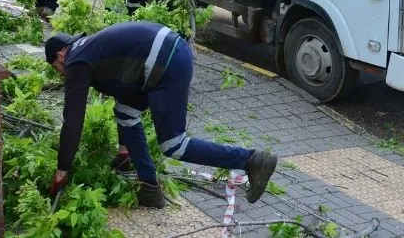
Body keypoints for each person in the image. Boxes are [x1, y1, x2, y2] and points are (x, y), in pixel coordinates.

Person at [44, 22, 278, 208]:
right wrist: (124, 151)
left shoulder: (76, 60)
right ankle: (149, 187)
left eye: (57, 69)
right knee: (125, 112)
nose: (62, 76)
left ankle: (250, 160)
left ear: (61, 55)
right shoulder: (88, 49)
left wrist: (62, 170)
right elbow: (122, 88)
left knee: (174, 145)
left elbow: (73, 120)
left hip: (166, 62)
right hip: (166, 55)